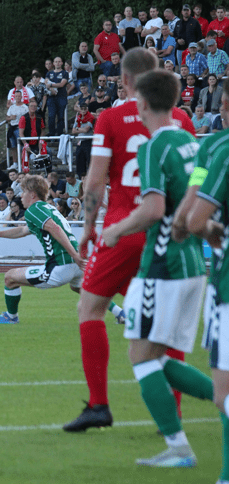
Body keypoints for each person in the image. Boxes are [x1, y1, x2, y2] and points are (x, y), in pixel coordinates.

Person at [69, 48, 197, 434]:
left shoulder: (110, 117)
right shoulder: (183, 121)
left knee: (90, 310)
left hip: (123, 230)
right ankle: (171, 414)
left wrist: (89, 227)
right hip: (167, 236)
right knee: (166, 328)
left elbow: (95, 179)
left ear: (124, 80)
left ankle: (98, 405)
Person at [101, 69, 211, 467]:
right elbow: (199, 189)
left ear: (141, 103)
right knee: (160, 355)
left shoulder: (153, 147)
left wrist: (115, 229)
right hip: (195, 263)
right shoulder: (190, 141)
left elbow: (153, 209)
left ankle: (179, 448)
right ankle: (218, 404)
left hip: (162, 265)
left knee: (142, 357)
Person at [183, 89, 229, 484]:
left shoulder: (216, 148)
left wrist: (211, 231)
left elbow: (194, 215)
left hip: (226, 287)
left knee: (223, 393)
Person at [0, 175, 85, 324]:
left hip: (60, 266)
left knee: (10, 278)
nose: (20, 196)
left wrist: (75, 255)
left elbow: (54, 228)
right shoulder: (47, 208)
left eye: (23, 192)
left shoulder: (33, 210)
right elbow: (22, 231)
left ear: (33, 194)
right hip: (75, 264)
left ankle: (11, 317)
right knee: (83, 289)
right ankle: (120, 314)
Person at [46, 57, 69, 136]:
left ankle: (60, 134)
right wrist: (52, 89)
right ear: (53, 63)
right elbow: (46, 83)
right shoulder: (49, 73)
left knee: (60, 116)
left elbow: (62, 84)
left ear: (62, 63)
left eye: (59, 61)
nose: (58, 63)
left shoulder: (65, 73)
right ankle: (51, 133)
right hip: (51, 98)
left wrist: (51, 85)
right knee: (51, 116)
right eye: (56, 61)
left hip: (61, 97)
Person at [6, 94, 29, 168]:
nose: (18, 97)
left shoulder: (25, 107)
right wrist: (11, 118)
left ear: (21, 97)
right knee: (13, 146)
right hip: (12, 127)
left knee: (22, 145)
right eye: (16, 96)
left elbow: (28, 118)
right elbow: (7, 118)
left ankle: (24, 162)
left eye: (19, 96)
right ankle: (15, 163)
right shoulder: (11, 107)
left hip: (21, 128)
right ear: (14, 97)